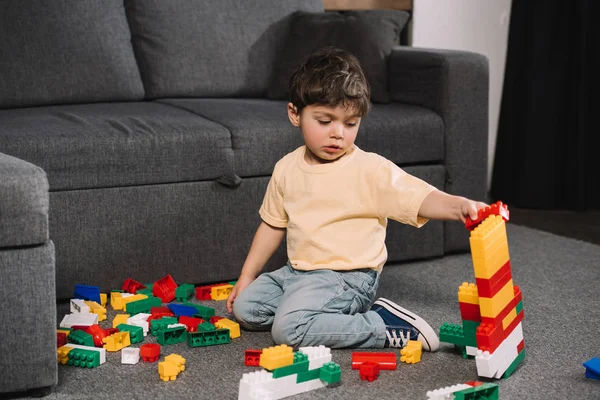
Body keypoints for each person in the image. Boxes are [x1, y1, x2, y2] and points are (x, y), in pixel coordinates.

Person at [226, 47, 487, 351]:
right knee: (246, 309)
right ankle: (317, 314)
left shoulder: (369, 169)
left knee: (287, 331)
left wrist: (459, 206)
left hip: (348, 278)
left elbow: (419, 196)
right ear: (294, 114)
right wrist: (247, 276)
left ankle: (382, 325)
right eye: (325, 121)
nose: (338, 133)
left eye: (350, 124)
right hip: (297, 272)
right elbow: (272, 226)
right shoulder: (286, 168)